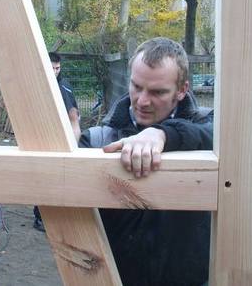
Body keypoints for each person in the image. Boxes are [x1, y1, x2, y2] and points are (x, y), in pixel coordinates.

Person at [79, 37, 213, 286]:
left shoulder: (209, 128)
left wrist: (165, 134)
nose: (142, 101)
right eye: (136, 86)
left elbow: (220, 136)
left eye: (157, 92)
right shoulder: (97, 141)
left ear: (182, 90)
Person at [33, 52, 81, 232]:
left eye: (57, 68)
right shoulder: (39, 86)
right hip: (44, 138)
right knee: (45, 177)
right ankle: (40, 217)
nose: (54, 71)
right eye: (51, 68)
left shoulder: (65, 87)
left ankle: (60, 217)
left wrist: (74, 140)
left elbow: (74, 114)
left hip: (65, 139)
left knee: (62, 178)